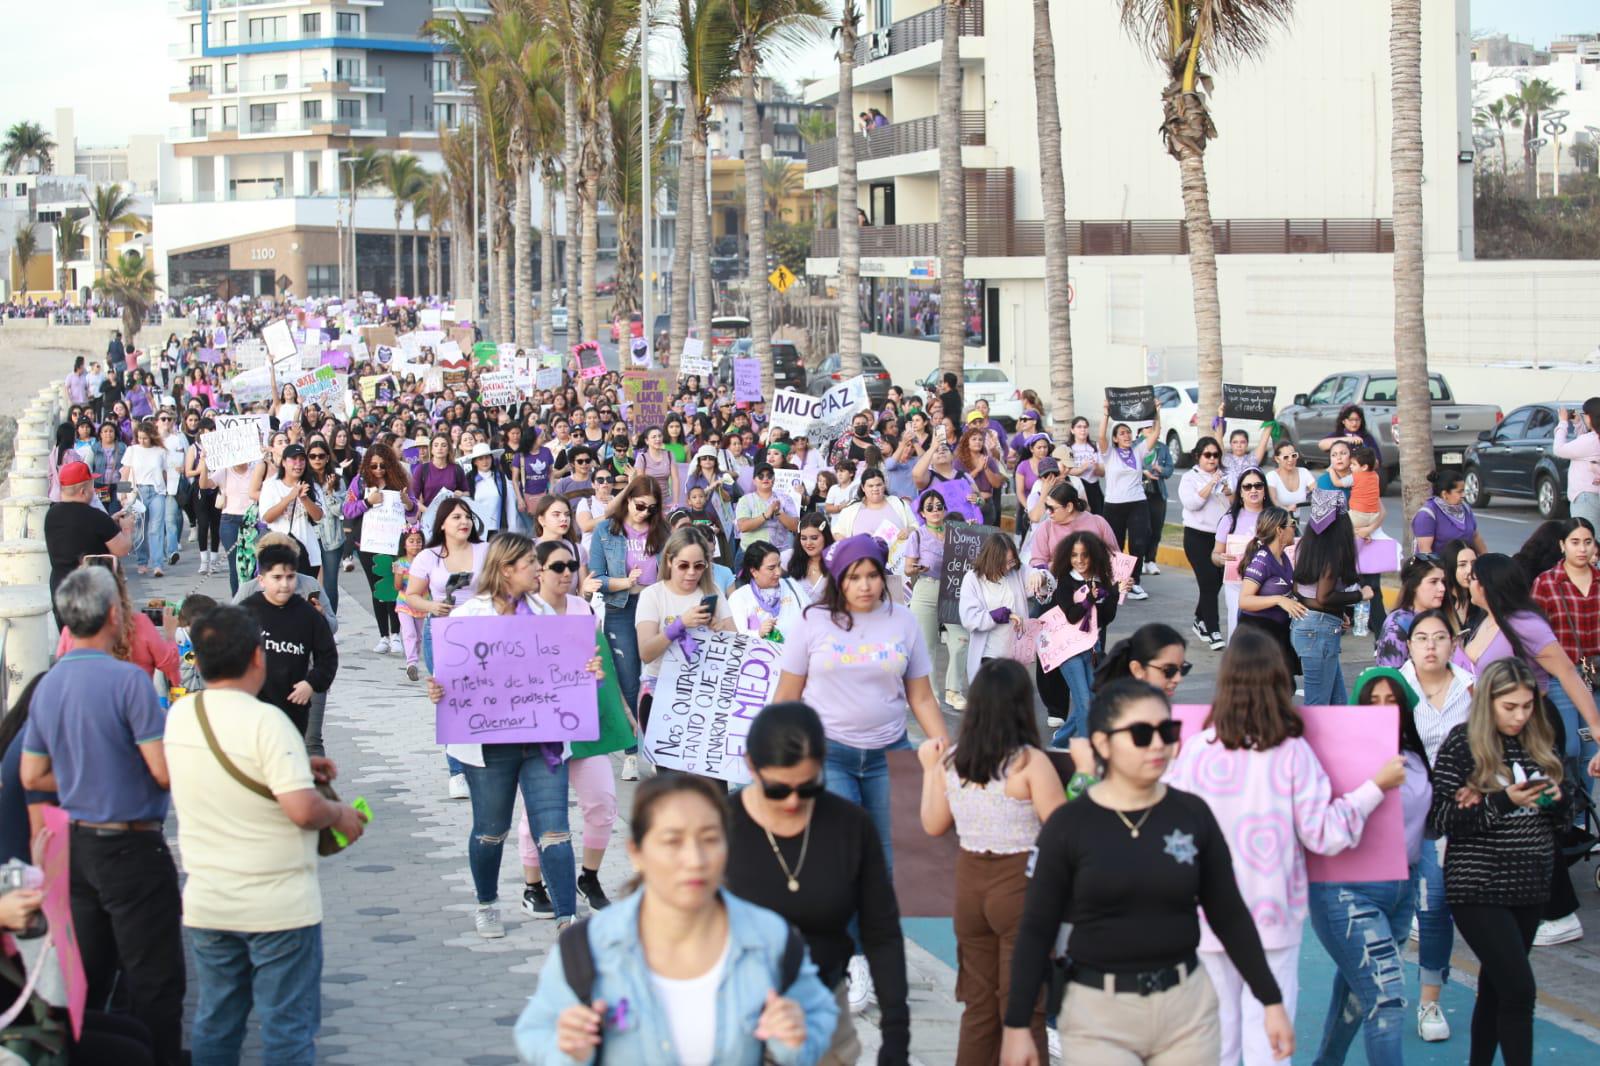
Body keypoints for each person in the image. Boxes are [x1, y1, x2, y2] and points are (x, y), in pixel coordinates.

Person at [999, 679, 1292, 1066]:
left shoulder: (1192, 815)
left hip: (1187, 1009)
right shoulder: (1069, 826)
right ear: (1102, 743)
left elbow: (1229, 914)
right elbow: (1036, 928)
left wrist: (1270, 1000)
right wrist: (1017, 1026)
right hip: (1096, 1014)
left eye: (1166, 731)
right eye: (1140, 733)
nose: (1157, 744)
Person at [1166, 628, 1403, 1065]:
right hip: (1271, 914)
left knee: (1216, 1044)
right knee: (1270, 1044)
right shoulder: (1292, 752)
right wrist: (1374, 788)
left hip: (1207, 917)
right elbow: (1325, 833)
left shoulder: (1195, 751)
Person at [515, 773, 837, 1064]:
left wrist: (795, 1038)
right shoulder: (587, 948)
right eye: (673, 841)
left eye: (710, 839)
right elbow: (535, 1033)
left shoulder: (771, 939)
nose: (694, 860)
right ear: (636, 852)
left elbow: (818, 1016)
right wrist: (566, 1050)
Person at [166, 605, 365, 1066]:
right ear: (258, 658)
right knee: (286, 1029)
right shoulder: (266, 722)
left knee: (217, 1022)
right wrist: (339, 813)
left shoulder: (183, 714)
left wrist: (297, 767)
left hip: (209, 903)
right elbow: (301, 809)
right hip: (276, 907)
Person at [19, 567, 185, 1065]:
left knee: (86, 975)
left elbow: (32, 775)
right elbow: (161, 771)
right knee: (154, 979)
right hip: (131, 845)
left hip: (77, 846)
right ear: (114, 615)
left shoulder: (49, 685)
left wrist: (81, 778)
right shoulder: (128, 682)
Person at [424, 534, 590, 938]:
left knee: (554, 828)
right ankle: (487, 903)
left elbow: (569, 669)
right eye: (530, 562)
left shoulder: (548, 616)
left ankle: (567, 917)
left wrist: (589, 671)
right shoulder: (467, 618)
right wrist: (438, 689)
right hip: (488, 746)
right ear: (505, 570)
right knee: (490, 830)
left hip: (542, 743)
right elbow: (448, 676)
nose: (538, 568)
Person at [726, 702, 911, 1064]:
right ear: (751, 765)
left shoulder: (849, 826)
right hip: (733, 1014)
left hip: (823, 1008)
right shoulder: (719, 825)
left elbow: (881, 931)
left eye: (808, 786)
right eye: (778, 789)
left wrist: (896, 1035)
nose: (794, 801)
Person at [774, 534, 948, 882]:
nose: (865, 585)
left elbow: (922, 696)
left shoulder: (903, 620)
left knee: (884, 861)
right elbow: (787, 695)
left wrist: (947, 750)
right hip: (829, 754)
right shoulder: (813, 621)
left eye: (872, 575)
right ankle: (844, 934)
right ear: (838, 578)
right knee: (844, 856)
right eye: (854, 577)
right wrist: (774, 757)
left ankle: (874, 933)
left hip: (890, 753)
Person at [918, 661, 1064, 1064]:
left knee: (978, 1008)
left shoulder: (953, 761)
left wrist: (930, 771)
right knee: (1023, 1007)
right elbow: (1061, 830)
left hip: (969, 886)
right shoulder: (1028, 762)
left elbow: (933, 824)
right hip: (1020, 885)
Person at [1428, 658, 1569, 1066]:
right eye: (1510, 707)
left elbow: (1566, 812)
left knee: (1497, 987)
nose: (1520, 715)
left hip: (1530, 883)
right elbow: (1441, 819)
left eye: (1526, 706)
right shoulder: (1462, 744)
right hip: (1478, 885)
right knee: (1520, 990)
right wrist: (1506, 800)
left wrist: (1557, 801)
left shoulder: (1539, 740)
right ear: (1488, 701)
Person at [1304, 666, 1433, 1066]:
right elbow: (1320, 823)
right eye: (1371, 701)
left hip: (1401, 889)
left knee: (1360, 993)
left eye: (1390, 700)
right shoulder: (1337, 756)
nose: (1381, 709)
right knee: (1387, 999)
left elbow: (1428, 823)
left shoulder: (1414, 757)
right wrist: (1376, 784)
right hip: (1347, 890)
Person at [517, 539, 621, 917]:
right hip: (539, 726)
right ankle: (533, 887)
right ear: (538, 571)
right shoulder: (522, 611)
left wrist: (600, 679)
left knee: (603, 802)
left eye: (571, 566)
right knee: (538, 812)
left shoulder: (583, 609)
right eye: (558, 567)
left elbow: (598, 663)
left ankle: (589, 877)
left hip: (582, 721)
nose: (567, 573)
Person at [590, 476, 669, 780]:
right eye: (639, 505)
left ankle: (658, 749)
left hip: (654, 608)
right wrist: (624, 582)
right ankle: (631, 752)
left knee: (657, 677)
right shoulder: (606, 530)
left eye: (651, 508)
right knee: (628, 680)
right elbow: (596, 577)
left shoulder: (661, 530)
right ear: (627, 499)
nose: (644, 513)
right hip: (620, 608)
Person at [635, 527, 737, 742]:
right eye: (684, 565)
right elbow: (645, 653)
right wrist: (679, 625)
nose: (692, 572)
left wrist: (718, 630)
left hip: (705, 693)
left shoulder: (713, 591)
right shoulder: (652, 595)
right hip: (661, 693)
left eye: (699, 566)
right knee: (669, 775)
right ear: (670, 561)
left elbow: (735, 644)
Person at [1530, 517, 1600, 795]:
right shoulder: (1546, 583)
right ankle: (1567, 812)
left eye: (1587, 542)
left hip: (1595, 679)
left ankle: (1583, 818)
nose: (1582, 549)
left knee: (1591, 749)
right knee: (1568, 746)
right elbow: (1534, 634)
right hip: (1559, 677)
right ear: (1562, 545)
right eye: (1575, 543)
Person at [1040, 532, 1131, 744]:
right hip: (1067, 651)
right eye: (1074, 555)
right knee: (1085, 703)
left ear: (1094, 556)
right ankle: (1086, 749)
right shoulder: (1064, 582)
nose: (1079, 560)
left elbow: (1106, 619)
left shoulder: (1102, 580)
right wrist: (1090, 598)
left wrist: (1114, 594)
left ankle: (1060, 741)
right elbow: (1072, 616)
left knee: (1093, 699)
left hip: (1091, 648)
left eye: (1084, 555)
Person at [240, 543, 338, 737]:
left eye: (290, 577)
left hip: (294, 708)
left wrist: (311, 684)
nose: (284, 584)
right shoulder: (246, 612)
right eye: (276, 577)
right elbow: (226, 655)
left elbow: (327, 657)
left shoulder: (308, 615)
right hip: (254, 708)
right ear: (261, 580)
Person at [1290, 491, 1372, 705]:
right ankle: (1308, 740)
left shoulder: (1305, 545)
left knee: (1338, 704)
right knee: (1318, 706)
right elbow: (1324, 596)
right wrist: (1359, 595)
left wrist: (1338, 612)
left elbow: (1300, 591)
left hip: (1307, 625)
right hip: (1319, 632)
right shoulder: (1333, 552)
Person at [904, 488, 970, 710]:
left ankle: (954, 691)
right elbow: (907, 568)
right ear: (922, 512)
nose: (935, 511)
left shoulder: (956, 531)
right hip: (926, 588)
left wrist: (971, 534)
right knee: (926, 645)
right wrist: (918, 568)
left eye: (939, 506)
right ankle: (930, 693)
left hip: (953, 590)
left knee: (961, 639)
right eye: (929, 507)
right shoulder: (917, 535)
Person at [958, 531, 1050, 681]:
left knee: (1014, 700)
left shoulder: (1017, 571)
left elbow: (1045, 584)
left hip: (1016, 652)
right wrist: (1000, 615)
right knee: (993, 701)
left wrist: (1041, 577)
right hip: (989, 653)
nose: (1008, 567)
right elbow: (969, 618)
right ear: (992, 560)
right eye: (1004, 563)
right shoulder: (973, 579)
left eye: (1012, 561)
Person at [43, 460, 132, 604]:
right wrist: (127, 528)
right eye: (92, 485)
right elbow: (122, 548)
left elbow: (79, 531)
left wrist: (110, 522)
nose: (94, 490)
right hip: (90, 591)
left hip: (60, 589)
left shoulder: (51, 515)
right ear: (83, 491)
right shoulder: (96, 517)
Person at [1096, 404, 1158, 600]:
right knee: (1114, 545)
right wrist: (1105, 415)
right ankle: (1115, 581)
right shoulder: (1109, 454)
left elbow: (1155, 433)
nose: (1126, 436)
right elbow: (1101, 438)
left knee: (1138, 543)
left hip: (1137, 502)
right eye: (1122, 433)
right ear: (1115, 438)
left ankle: (1134, 582)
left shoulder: (1138, 451)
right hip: (1114, 505)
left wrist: (1156, 411)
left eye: (1129, 433)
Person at [1235, 506, 1305, 675]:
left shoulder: (1283, 556)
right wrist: (1279, 599)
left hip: (1278, 632)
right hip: (1257, 636)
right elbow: (1244, 601)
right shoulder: (1262, 560)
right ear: (1279, 530)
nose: (1294, 527)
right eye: (1291, 524)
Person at [1178, 437, 1231, 650]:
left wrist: (1229, 492)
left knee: (1217, 582)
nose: (1212, 459)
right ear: (1198, 456)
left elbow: (1234, 505)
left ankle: (1200, 619)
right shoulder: (1189, 478)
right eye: (1207, 455)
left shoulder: (1226, 477)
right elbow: (1193, 504)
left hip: (1220, 537)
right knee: (1208, 581)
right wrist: (1211, 483)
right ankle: (1213, 630)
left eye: (1215, 455)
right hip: (1197, 536)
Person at [1214, 467, 1271, 637]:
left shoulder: (1276, 517)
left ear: (1264, 490)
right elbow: (1215, 554)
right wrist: (1221, 559)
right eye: (1247, 487)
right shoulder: (1229, 520)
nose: (1253, 490)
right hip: (1237, 586)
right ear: (1241, 492)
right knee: (1239, 633)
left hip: (1269, 587)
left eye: (1258, 485)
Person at [259, 443, 323, 575]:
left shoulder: (313, 486)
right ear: (283, 462)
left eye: (301, 460)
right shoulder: (271, 485)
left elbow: (318, 517)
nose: (298, 464)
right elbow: (267, 517)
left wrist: (304, 499)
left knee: (306, 593)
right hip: (280, 551)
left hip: (308, 551)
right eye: (293, 459)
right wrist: (290, 497)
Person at [1375, 553, 1449, 668]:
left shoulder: (1441, 617)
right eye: (1433, 582)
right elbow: (1391, 676)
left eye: (1443, 582)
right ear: (1414, 585)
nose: (1442, 588)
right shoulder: (1397, 624)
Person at [729, 541, 810, 641]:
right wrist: (758, 633)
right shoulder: (739, 597)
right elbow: (737, 638)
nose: (778, 572)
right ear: (754, 571)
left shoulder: (792, 585)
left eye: (779, 565)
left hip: (799, 652)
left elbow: (812, 617)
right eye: (771, 568)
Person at [122, 419, 173, 576]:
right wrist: (123, 493)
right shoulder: (132, 450)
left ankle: (157, 564)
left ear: (151, 436)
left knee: (156, 529)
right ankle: (142, 561)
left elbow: (165, 472)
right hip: (138, 492)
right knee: (140, 528)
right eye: (139, 437)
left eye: (145, 437)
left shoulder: (160, 451)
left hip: (157, 492)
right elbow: (125, 471)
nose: (142, 441)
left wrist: (166, 488)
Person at [1410, 468, 1489, 556]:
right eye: (1459, 492)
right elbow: (1425, 552)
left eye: (1464, 491)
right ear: (1444, 494)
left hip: (1464, 565)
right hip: (1439, 567)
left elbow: (1475, 536)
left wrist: (1485, 558)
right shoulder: (1427, 515)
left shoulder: (1465, 508)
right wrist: (1438, 569)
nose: (1464, 495)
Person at [1554, 398, 1600, 532]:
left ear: (1591, 417)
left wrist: (1563, 422)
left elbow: (1559, 449)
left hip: (1585, 496)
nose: (1583, 417)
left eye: (1584, 414)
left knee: (1589, 536)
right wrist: (1579, 424)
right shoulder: (1593, 439)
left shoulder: (1591, 440)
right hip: (1593, 493)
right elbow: (1584, 449)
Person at [739, 463, 801, 553]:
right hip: (752, 553)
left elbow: (795, 526)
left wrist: (779, 513)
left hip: (780, 551)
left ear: (774, 479)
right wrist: (766, 515)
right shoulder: (745, 500)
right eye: (760, 476)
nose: (765, 478)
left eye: (769, 475)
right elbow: (743, 526)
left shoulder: (785, 498)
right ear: (754, 481)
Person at [1265, 439, 1310, 512]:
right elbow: (1274, 500)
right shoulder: (1271, 476)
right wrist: (1287, 510)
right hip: (1280, 518)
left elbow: (1317, 492)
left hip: (1302, 519)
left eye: (1294, 455)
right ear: (1277, 459)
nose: (1291, 459)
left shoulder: (1304, 472)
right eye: (1286, 457)